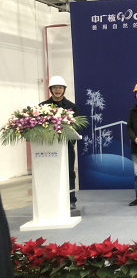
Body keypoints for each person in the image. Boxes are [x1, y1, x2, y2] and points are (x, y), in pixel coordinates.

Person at [39, 76, 80, 210]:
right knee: (49, 172)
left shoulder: (71, 106)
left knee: (69, 172)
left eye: (60, 88)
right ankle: (50, 199)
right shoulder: (42, 107)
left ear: (64, 90)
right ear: (50, 89)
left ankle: (71, 200)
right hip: (48, 147)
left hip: (66, 146)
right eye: (55, 88)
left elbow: (78, 126)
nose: (58, 90)